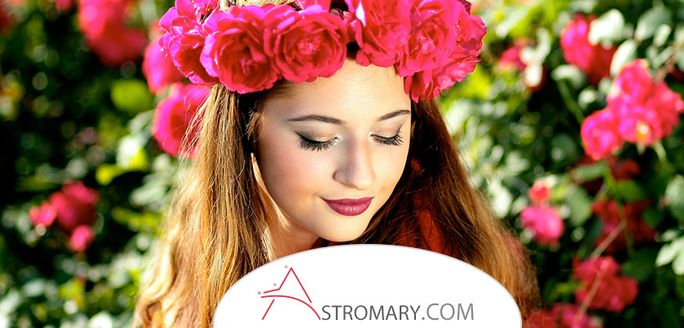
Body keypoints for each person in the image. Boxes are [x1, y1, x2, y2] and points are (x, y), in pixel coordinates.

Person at [134, 0, 539, 326]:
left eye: (388, 136)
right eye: (319, 140)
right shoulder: (196, 241)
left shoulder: (440, 273)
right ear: (244, 131)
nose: (361, 175)